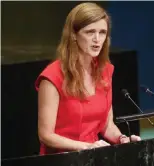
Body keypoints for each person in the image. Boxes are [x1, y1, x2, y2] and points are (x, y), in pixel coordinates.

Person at [35, 2, 141, 155]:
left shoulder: (105, 71)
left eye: (102, 32)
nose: (97, 39)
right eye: (90, 32)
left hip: (92, 156)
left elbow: (106, 125)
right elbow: (46, 135)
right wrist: (85, 146)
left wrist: (122, 139)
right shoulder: (52, 77)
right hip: (60, 159)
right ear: (73, 35)